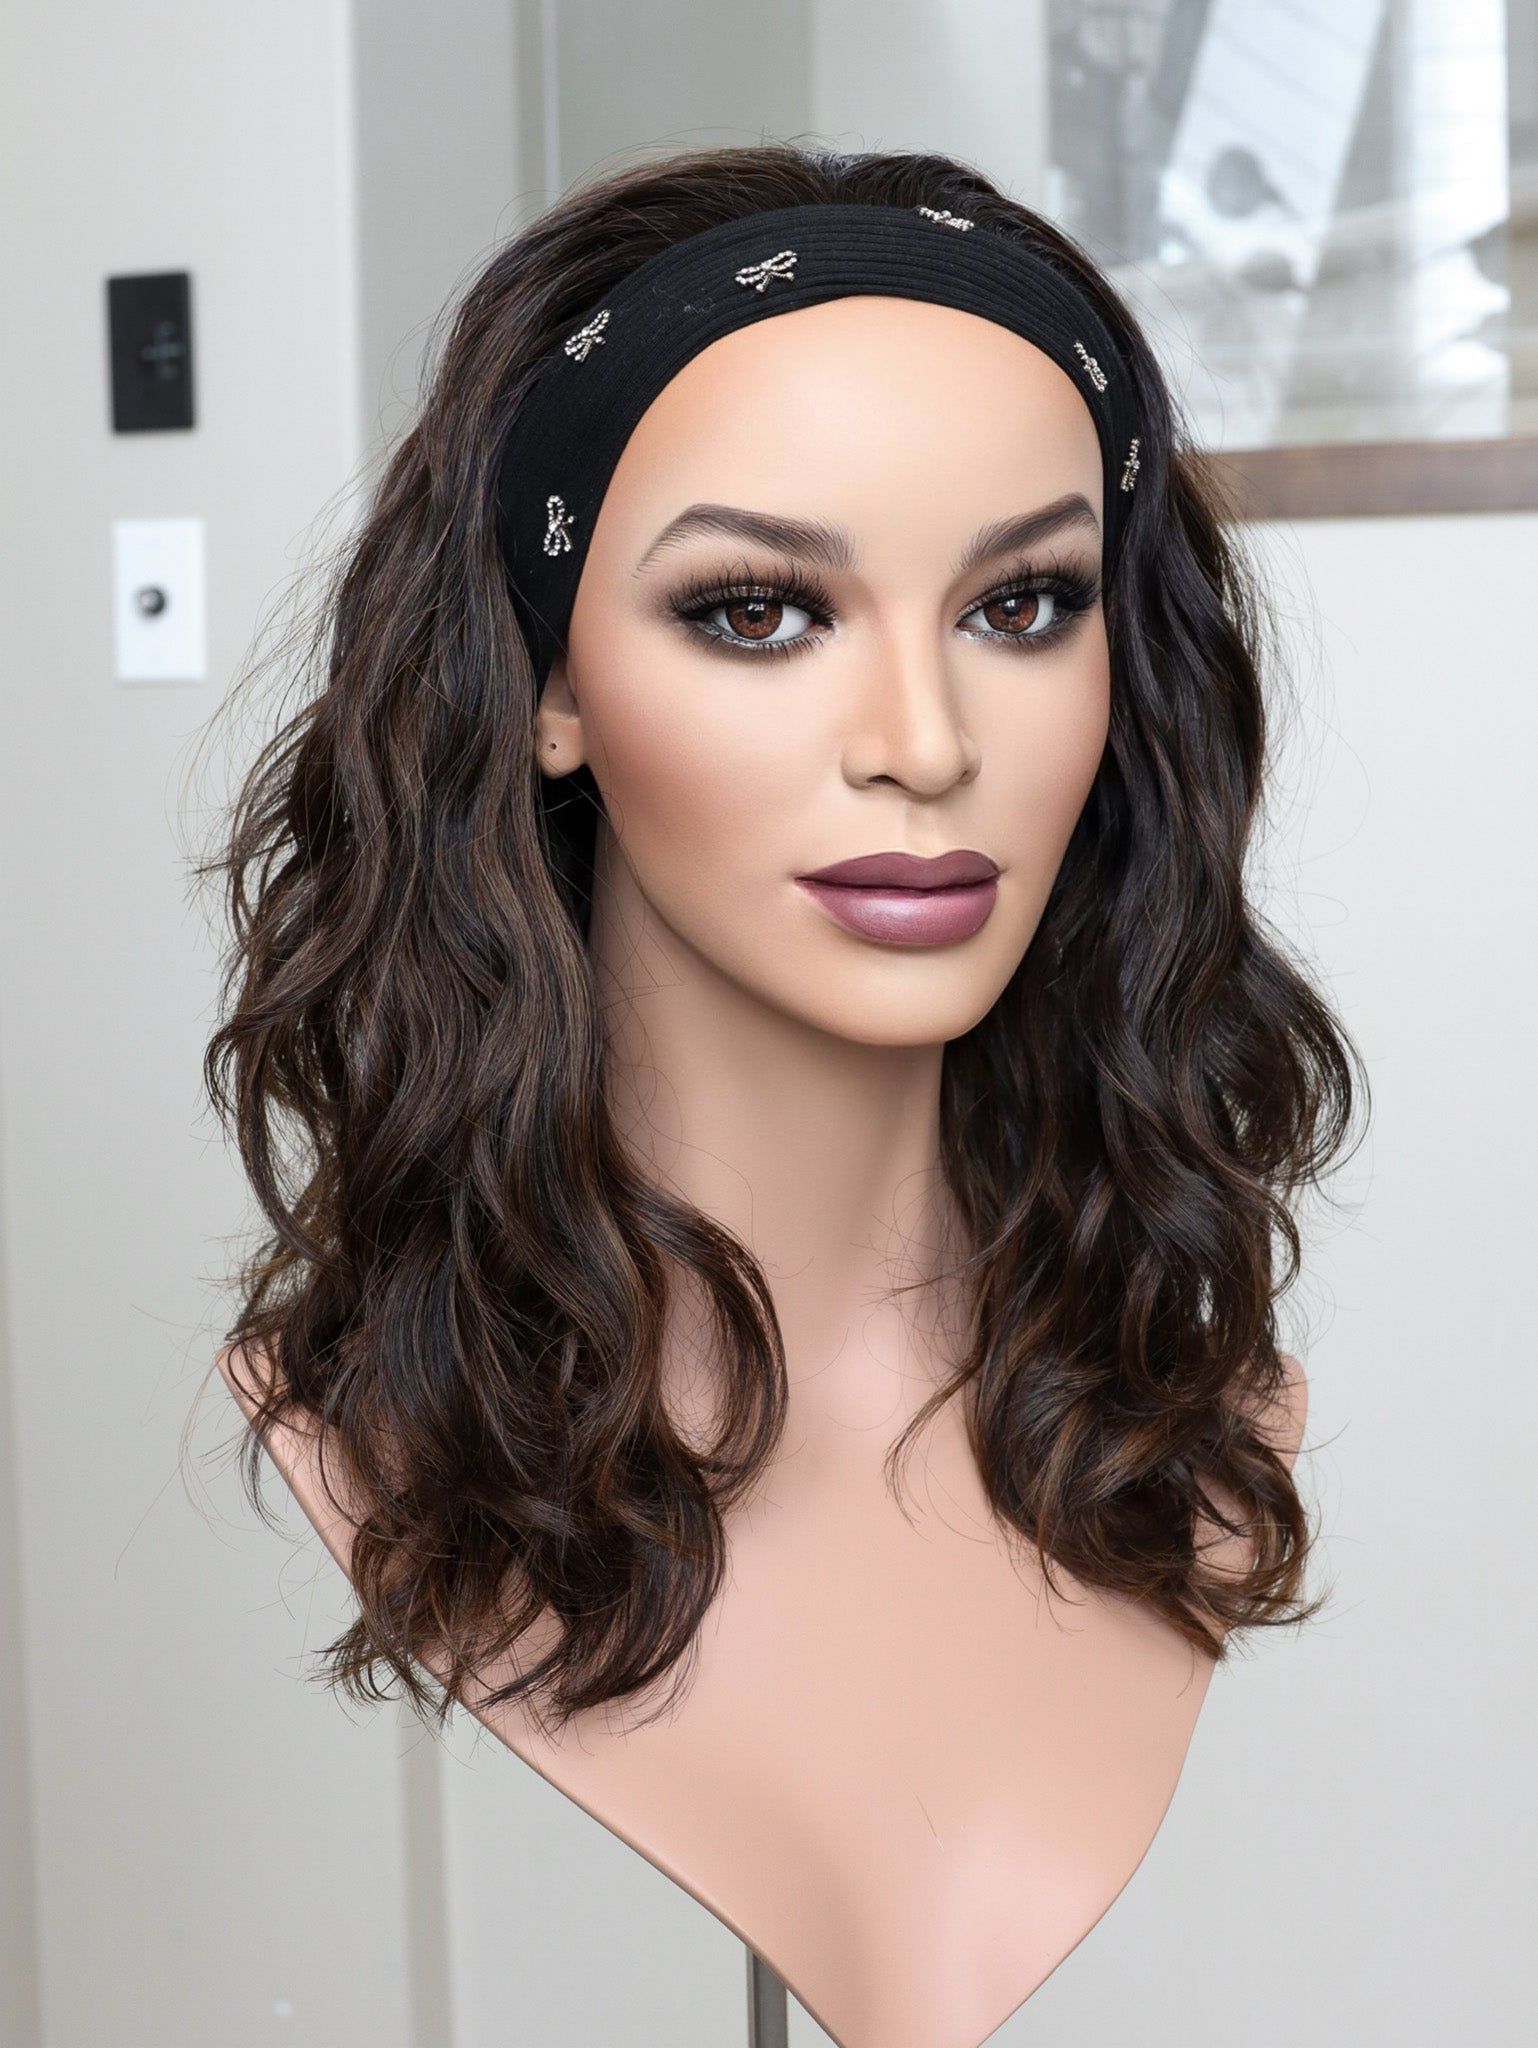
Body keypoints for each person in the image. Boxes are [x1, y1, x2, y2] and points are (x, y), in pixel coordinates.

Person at [203, 141, 1365, 2048]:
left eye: (1021, 606)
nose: (923, 744)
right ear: (550, 686)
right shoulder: (373, 1430)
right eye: (757, 610)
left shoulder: (1195, 1424)